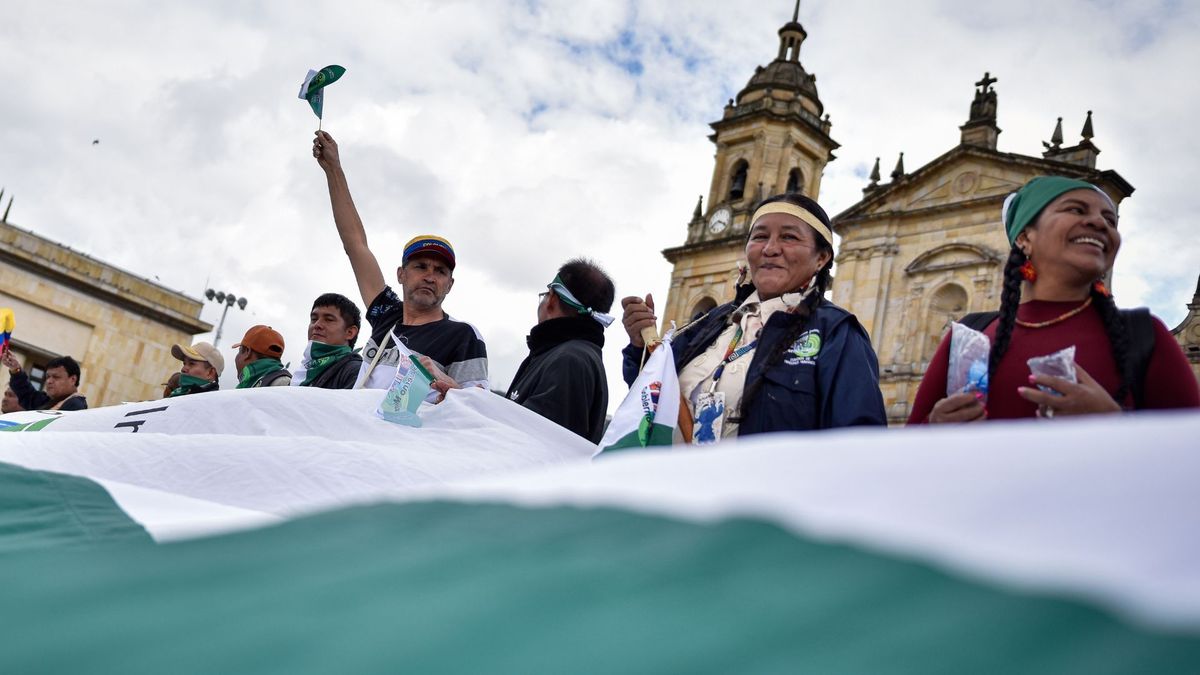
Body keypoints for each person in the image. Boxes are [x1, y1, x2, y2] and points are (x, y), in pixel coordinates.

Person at [909, 176, 1200, 422]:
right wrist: (936, 431)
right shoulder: (969, 338)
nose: (1099, 223)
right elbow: (908, 455)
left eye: (1109, 219)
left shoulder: (1145, 336)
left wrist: (1114, 424)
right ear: (1024, 236)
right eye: (1076, 209)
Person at [621, 193, 887, 440]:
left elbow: (858, 442)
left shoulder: (837, 332)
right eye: (759, 237)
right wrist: (639, 347)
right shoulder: (710, 322)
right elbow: (649, 397)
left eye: (789, 237)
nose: (770, 248)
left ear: (821, 258)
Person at [312, 131, 488, 390]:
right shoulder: (386, 316)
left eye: (440, 271)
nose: (430, 276)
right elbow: (355, 245)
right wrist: (333, 170)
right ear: (401, 274)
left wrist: (451, 388)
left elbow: (478, 412)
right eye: (420, 267)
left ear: (450, 284)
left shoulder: (463, 337)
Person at [425, 259, 614, 442]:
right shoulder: (558, 354)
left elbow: (526, 444)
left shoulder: (569, 361)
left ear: (552, 299)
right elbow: (516, 424)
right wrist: (464, 399)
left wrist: (466, 405)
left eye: (545, 294)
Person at [296, 293, 363, 389]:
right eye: (314, 319)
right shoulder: (300, 373)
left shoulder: (356, 372)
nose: (317, 325)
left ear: (350, 332)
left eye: (328, 320)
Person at [1, 353, 88, 411]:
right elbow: (27, 395)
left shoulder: (75, 406)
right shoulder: (48, 401)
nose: (49, 381)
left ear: (73, 379)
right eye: (47, 377)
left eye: (56, 377)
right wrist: (15, 369)